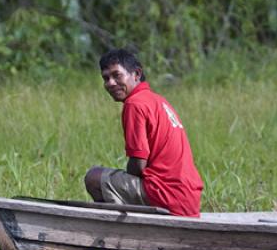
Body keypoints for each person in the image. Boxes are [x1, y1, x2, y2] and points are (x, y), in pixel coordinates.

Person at [84, 49, 204, 217]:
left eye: (117, 75)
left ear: (136, 74)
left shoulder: (134, 104)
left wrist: (125, 180)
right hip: (188, 197)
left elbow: (139, 164)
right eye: (106, 78)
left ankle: (118, 233)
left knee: (94, 177)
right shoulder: (157, 100)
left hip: (167, 195)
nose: (110, 83)